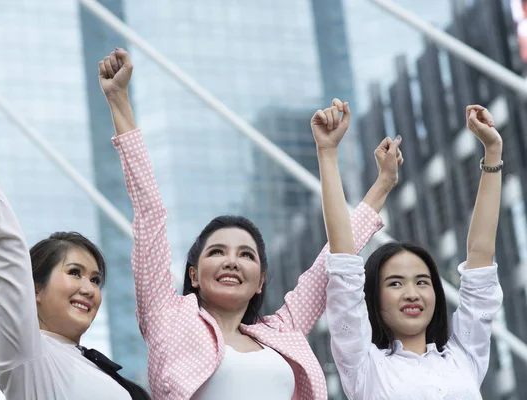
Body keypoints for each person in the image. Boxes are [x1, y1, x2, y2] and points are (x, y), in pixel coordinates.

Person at [101, 48, 402, 399]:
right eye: (217, 252)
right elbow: (149, 215)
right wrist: (119, 100)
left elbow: (332, 262)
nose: (232, 260)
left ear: (260, 282)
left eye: (246, 255)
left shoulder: (282, 332)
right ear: (194, 274)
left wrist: (378, 185)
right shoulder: (166, 317)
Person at [0, 91, 150, 399]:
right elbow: (6, 249)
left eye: (95, 279)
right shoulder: (26, 354)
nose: (89, 288)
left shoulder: (92, 367)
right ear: (34, 288)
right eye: (74, 272)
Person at [315, 99, 504, 399]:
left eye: (422, 282)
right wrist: (327, 152)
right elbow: (342, 260)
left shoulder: (463, 358)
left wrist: (492, 151)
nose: (412, 293)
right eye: (395, 283)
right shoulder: (364, 367)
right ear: (373, 298)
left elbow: (480, 258)